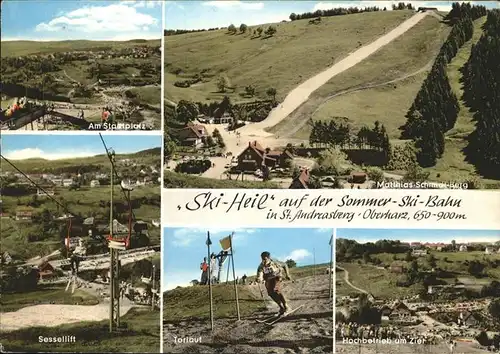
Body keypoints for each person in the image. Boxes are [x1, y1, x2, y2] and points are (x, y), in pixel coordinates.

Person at [257, 251, 292, 316]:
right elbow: (260, 274)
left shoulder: (275, 262)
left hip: (277, 277)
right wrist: (259, 278)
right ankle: (281, 308)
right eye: (262, 259)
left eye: (265, 259)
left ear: (268, 258)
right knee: (270, 293)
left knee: (275, 290)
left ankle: (286, 306)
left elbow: (285, 265)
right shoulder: (261, 266)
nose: (263, 261)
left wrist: (287, 274)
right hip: (268, 279)